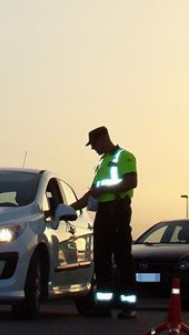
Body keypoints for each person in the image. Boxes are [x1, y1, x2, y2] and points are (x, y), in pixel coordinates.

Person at [71, 126, 139, 319]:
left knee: (122, 258)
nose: (93, 148)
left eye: (94, 144)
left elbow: (131, 182)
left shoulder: (124, 156)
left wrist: (105, 190)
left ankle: (129, 306)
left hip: (117, 211)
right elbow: (92, 193)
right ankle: (104, 306)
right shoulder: (103, 163)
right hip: (103, 213)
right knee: (101, 260)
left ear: (103, 139)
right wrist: (70, 208)